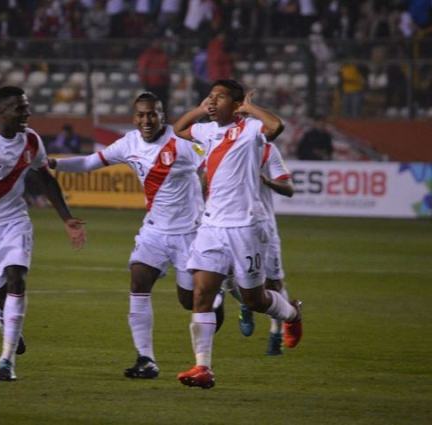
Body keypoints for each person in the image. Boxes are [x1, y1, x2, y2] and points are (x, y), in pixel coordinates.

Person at [48, 92, 224, 379]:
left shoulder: (183, 142)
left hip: (189, 234)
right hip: (154, 230)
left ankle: (216, 298)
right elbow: (90, 162)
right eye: (141, 115)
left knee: (187, 301)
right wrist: (55, 164)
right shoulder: (128, 143)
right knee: (138, 280)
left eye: (152, 114)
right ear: (134, 117)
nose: (146, 120)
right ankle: (146, 359)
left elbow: (214, 164)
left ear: (162, 116)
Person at [0, 86, 86, 382]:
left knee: (17, 279)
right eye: (19, 108)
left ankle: (6, 359)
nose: (26, 112)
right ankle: (5, 318)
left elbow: (46, 180)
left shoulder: (31, 140)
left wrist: (67, 219)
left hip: (14, 220)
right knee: (1, 294)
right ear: (1, 112)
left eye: (27, 106)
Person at [173, 80, 303, 389]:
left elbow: (277, 126)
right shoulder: (206, 131)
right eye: (211, 95)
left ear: (235, 104)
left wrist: (248, 106)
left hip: (245, 227)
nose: (213, 101)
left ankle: (292, 315)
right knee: (202, 294)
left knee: (254, 299)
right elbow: (179, 130)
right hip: (212, 226)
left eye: (220, 97)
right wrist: (198, 109)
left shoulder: (251, 129)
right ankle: (202, 367)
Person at [229, 141, 295, 356]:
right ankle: (247, 304)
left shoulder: (268, 150)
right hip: (227, 224)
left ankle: (276, 334)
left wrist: (267, 181)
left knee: (274, 283)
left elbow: (288, 189)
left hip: (263, 227)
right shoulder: (220, 143)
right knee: (223, 277)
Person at [137, 40, 171, 115]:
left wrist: (167, 80)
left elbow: (166, 68)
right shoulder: (147, 55)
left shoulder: (163, 55)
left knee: (163, 104)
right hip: (151, 84)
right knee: (151, 104)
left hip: (162, 84)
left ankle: (163, 120)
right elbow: (142, 68)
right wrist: (144, 81)